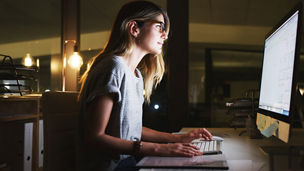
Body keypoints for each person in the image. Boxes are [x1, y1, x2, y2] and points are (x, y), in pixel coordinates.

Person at [77, 1, 213, 171]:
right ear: (134, 28)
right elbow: (94, 137)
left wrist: (177, 139)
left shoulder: (136, 75)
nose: (165, 35)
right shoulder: (114, 67)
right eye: (159, 27)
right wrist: (160, 149)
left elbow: (131, 129)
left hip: (127, 162)